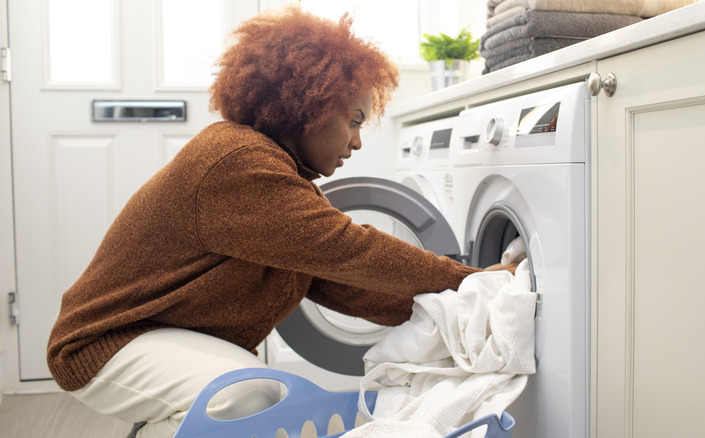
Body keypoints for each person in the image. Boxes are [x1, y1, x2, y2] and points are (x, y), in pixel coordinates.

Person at [46, 6, 516, 438]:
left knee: (254, 394)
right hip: (106, 343)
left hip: (158, 337)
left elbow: (341, 283)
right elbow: (350, 249)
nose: (356, 141)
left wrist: (449, 316)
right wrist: (469, 281)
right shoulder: (237, 162)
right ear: (309, 104)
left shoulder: (280, 181)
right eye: (353, 120)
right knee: (246, 396)